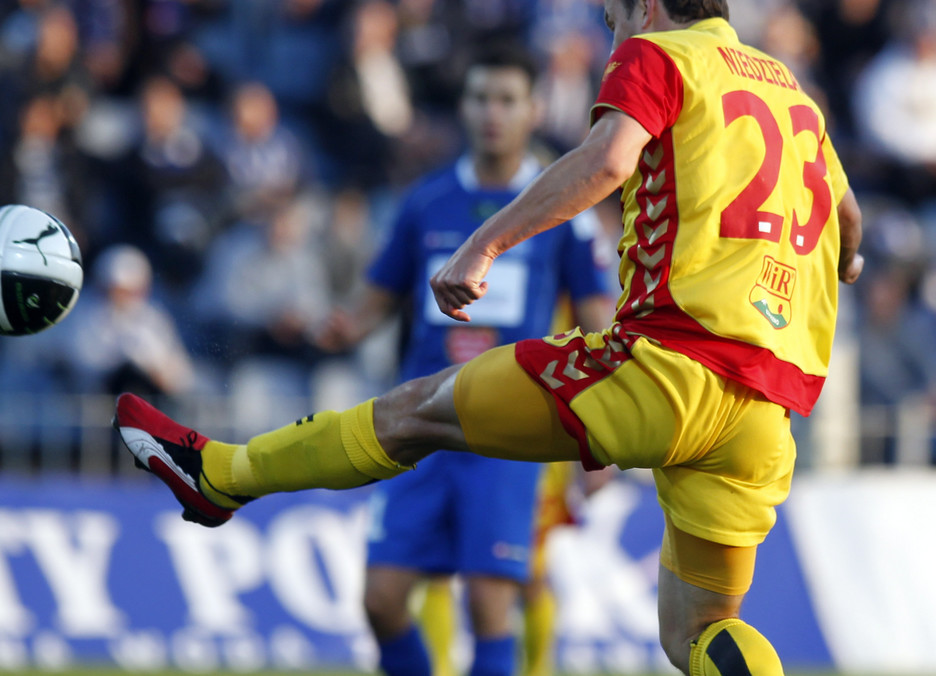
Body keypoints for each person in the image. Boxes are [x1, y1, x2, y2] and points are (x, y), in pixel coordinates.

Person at [114, 1, 864, 674]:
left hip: (669, 368)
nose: (615, 40)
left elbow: (608, 158)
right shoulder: (790, 90)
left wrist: (484, 244)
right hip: (765, 410)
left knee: (412, 414)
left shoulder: (662, 53)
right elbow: (848, 218)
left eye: (614, 21)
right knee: (701, 631)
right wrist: (846, 260)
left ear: (648, 6)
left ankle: (220, 476)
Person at [314, 44, 613, 676]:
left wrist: (603, 429)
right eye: (480, 98)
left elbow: (596, 320)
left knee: (489, 605)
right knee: (381, 600)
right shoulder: (426, 202)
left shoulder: (562, 209)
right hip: (419, 422)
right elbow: (377, 297)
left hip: (505, 430)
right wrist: (339, 324)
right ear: (463, 106)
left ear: (533, 109)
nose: (492, 114)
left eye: (507, 100)